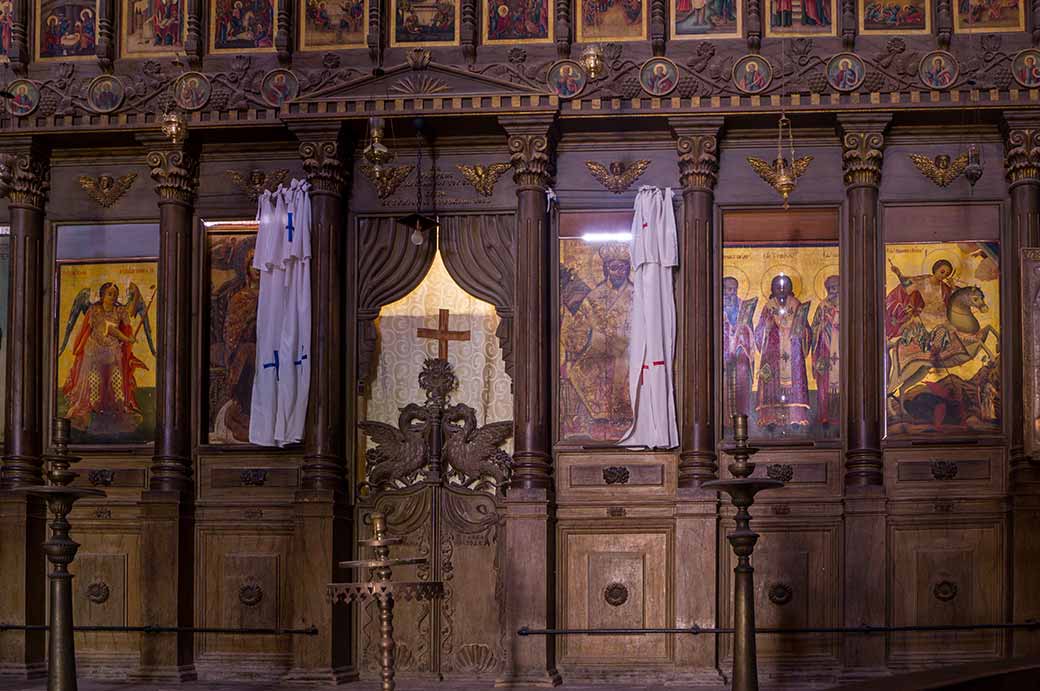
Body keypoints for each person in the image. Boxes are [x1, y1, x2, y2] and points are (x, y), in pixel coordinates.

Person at [560, 243, 634, 439]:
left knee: (624, 366)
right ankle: (600, 419)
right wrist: (584, 342)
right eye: (614, 267)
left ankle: (624, 418)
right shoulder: (594, 296)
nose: (619, 272)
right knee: (580, 370)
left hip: (630, 351)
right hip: (599, 350)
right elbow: (577, 328)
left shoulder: (637, 295)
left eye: (623, 267)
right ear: (606, 269)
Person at [62, 283, 146, 435]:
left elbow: (129, 317)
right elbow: (108, 330)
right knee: (94, 381)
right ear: (102, 296)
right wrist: (126, 338)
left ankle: (118, 412)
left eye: (115, 294)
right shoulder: (94, 310)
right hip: (94, 351)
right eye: (109, 294)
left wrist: (137, 294)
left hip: (113, 352)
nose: (112, 297)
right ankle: (94, 413)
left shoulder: (119, 310)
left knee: (116, 380)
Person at [754, 274, 813, 430]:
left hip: (792, 354)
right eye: (777, 286)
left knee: (794, 380)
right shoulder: (768, 307)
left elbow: (806, 330)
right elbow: (759, 332)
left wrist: (802, 333)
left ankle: (796, 417)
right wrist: (766, 328)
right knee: (771, 382)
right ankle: (770, 418)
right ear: (772, 289)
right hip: (773, 355)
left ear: (791, 288)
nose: (781, 289)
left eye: (784, 286)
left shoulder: (797, 305)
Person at [722, 277, 757, 424]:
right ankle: (725, 420)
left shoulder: (743, 306)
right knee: (723, 383)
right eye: (729, 289)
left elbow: (750, 330)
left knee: (742, 376)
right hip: (722, 353)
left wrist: (741, 331)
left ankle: (742, 419)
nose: (732, 293)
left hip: (740, 351)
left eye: (734, 289)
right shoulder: (717, 306)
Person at [810, 275, 840, 426]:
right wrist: (823, 324)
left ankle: (844, 415)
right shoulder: (822, 306)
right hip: (825, 351)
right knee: (824, 383)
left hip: (844, 352)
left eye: (835, 288)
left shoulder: (849, 305)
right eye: (830, 289)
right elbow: (814, 328)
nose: (832, 292)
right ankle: (824, 416)